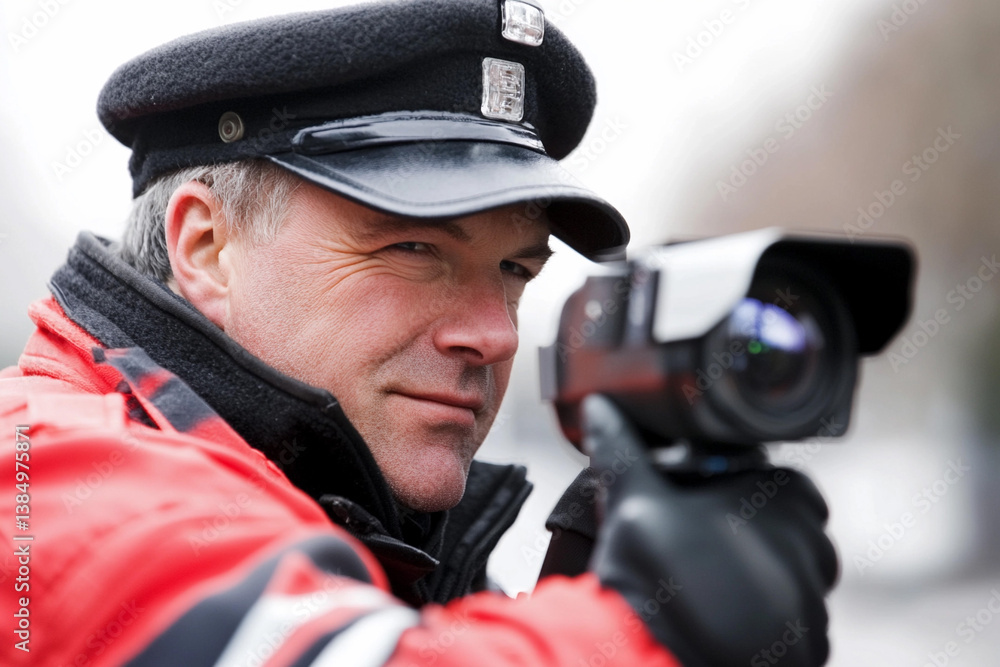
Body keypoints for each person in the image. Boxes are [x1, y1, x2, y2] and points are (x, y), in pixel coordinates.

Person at [0, 1, 837, 665]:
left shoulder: (370, 531)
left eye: (514, 271)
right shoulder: (46, 470)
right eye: (413, 249)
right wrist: (651, 628)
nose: (494, 334)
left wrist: (585, 584)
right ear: (206, 247)